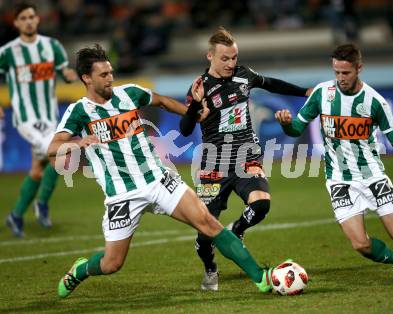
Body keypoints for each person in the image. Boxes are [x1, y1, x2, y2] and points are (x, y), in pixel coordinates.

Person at [49, 44, 276, 298]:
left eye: (111, 72)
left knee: (209, 224)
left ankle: (261, 277)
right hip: (122, 195)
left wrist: (196, 112)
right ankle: (80, 270)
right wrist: (79, 142)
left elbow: (163, 101)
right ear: (86, 78)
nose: (110, 78)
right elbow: (53, 147)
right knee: (112, 264)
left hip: (158, 179)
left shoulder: (129, 93)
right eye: (103, 75)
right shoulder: (79, 111)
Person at [275, 43, 393, 285]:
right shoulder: (322, 93)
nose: (340, 78)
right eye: (336, 72)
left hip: (373, 176)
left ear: (359, 68)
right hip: (339, 180)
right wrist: (285, 124)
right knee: (360, 245)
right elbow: (296, 129)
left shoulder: (375, 102)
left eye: (346, 73)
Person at [179, 26, 311, 291]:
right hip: (214, 164)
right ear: (210, 57)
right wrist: (194, 105)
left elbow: (272, 83)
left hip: (245, 155)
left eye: (234, 57)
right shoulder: (199, 87)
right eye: (224, 58)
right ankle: (210, 267)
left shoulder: (244, 75)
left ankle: (237, 229)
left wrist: (305, 92)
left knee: (261, 204)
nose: (231, 63)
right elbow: (184, 129)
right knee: (205, 236)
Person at [0, 2, 77, 237]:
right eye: (23, 18)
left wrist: (68, 74)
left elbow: (64, 70)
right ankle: (42, 202)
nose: (29, 21)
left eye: (32, 16)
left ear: (38, 19)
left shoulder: (51, 46)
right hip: (25, 118)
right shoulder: (8, 52)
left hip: (49, 116)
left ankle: (16, 215)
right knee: (58, 152)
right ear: (16, 23)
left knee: (38, 168)